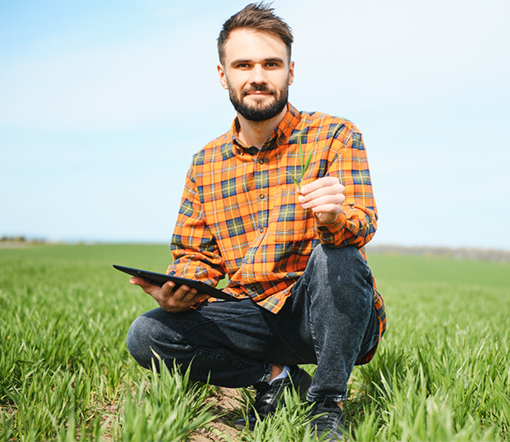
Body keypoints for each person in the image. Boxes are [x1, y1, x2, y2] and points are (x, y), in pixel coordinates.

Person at [125, 2, 386, 440]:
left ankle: (326, 405)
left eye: (271, 63)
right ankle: (277, 378)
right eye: (243, 64)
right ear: (223, 74)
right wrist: (179, 288)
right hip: (252, 317)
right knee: (147, 333)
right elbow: (195, 255)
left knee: (334, 255)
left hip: (325, 314)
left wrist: (335, 216)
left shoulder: (336, 135)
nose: (258, 76)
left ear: (291, 71)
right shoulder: (205, 162)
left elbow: (363, 224)